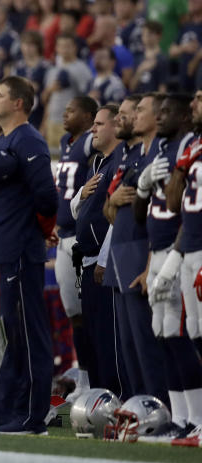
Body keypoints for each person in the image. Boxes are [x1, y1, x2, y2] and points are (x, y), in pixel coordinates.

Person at [0, 76, 59, 434]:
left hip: (17, 251)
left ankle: (31, 415)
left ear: (19, 103)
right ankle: (2, 410)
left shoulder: (29, 140)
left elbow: (47, 197)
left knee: (25, 332)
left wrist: (38, 231)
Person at [135, 92, 202, 439]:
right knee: (165, 337)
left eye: (166, 112)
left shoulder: (189, 145)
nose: (160, 118)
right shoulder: (165, 151)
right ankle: (181, 418)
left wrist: (171, 260)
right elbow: (139, 214)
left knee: (185, 337)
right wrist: (144, 188)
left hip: (181, 251)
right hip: (162, 250)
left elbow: (182, 213)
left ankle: (194, 418)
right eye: (156, 112)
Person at [102, 94, 167, 403]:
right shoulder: (129, 156)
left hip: (143, 250)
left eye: (137, 111)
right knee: (127, 342)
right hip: (121, 249)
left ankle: (158, 406)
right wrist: (112, 201)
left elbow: (163, 215)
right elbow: (111, 212)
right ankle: (137, 405)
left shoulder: (159, 154)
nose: (127, 118)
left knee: (146, 340)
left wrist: (150, 265)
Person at [70, 104, 126, 396]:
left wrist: (105, 258)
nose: (93, 129)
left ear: (116, 126)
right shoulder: (98, 164)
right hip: (88, 260)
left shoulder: (119, 160)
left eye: (99, 124)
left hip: (106, 261)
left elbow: (117, 217)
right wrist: (81, 193)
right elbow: (74, 210)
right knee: (93, 336)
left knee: (109, 339)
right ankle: (99, 400)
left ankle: (115, 398)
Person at [165, 90, 202, 442]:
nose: (193, 105)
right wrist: (180, 167)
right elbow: (176, 204)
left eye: (200, 99)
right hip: (189, 248)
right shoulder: (192, 146)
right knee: (195, 333)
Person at [53, 95, 98, 388]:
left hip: (80, 240)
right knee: (74, 314)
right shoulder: (66, 144)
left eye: (72, 110)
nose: (65, 114)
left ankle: (96, 378)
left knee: (89, 312)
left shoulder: (88, 142)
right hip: (63, 236)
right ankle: (83, 377)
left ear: (88, 116)